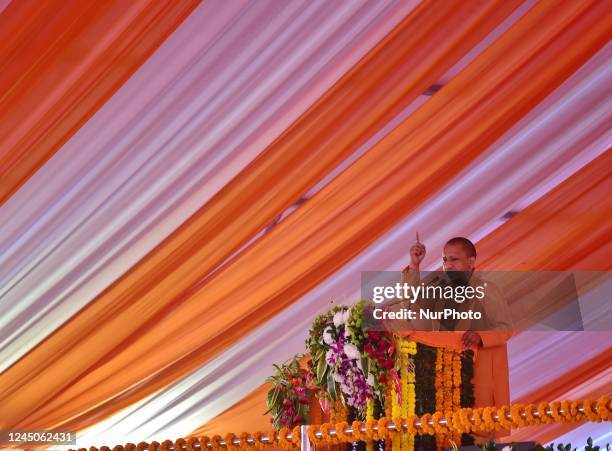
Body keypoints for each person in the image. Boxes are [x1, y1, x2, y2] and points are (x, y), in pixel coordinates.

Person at [401, 236, 513, 442]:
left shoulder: (487, 290)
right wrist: (414, 265)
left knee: (476, 435)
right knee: (444, 435)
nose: (448, 265)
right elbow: (411, 303)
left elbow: (505, 329)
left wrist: (480, 335)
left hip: (477, 376)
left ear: (471, 262)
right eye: (445, 260)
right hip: (442, 379)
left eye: (454, 260)